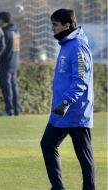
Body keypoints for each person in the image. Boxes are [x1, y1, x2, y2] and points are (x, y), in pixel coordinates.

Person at [40, 9, 95, 190]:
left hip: (76, 111)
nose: (52, 28)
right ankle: (57, 187)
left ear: (67, 25)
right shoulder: (67, 44)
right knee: (47, 144)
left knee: (84, 157)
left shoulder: (78, 46)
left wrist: (66, 102)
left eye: (55, 24)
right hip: (61, 112)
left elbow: (81, 80)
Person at [0, 11, 22, 116]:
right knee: (13, 86)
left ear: (2, 20)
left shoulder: (5, 32)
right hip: (14, 62)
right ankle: (17, 109)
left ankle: (9, 110)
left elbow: (1, 49)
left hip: (5, 63)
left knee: (7, 88)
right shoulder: (15, 31)